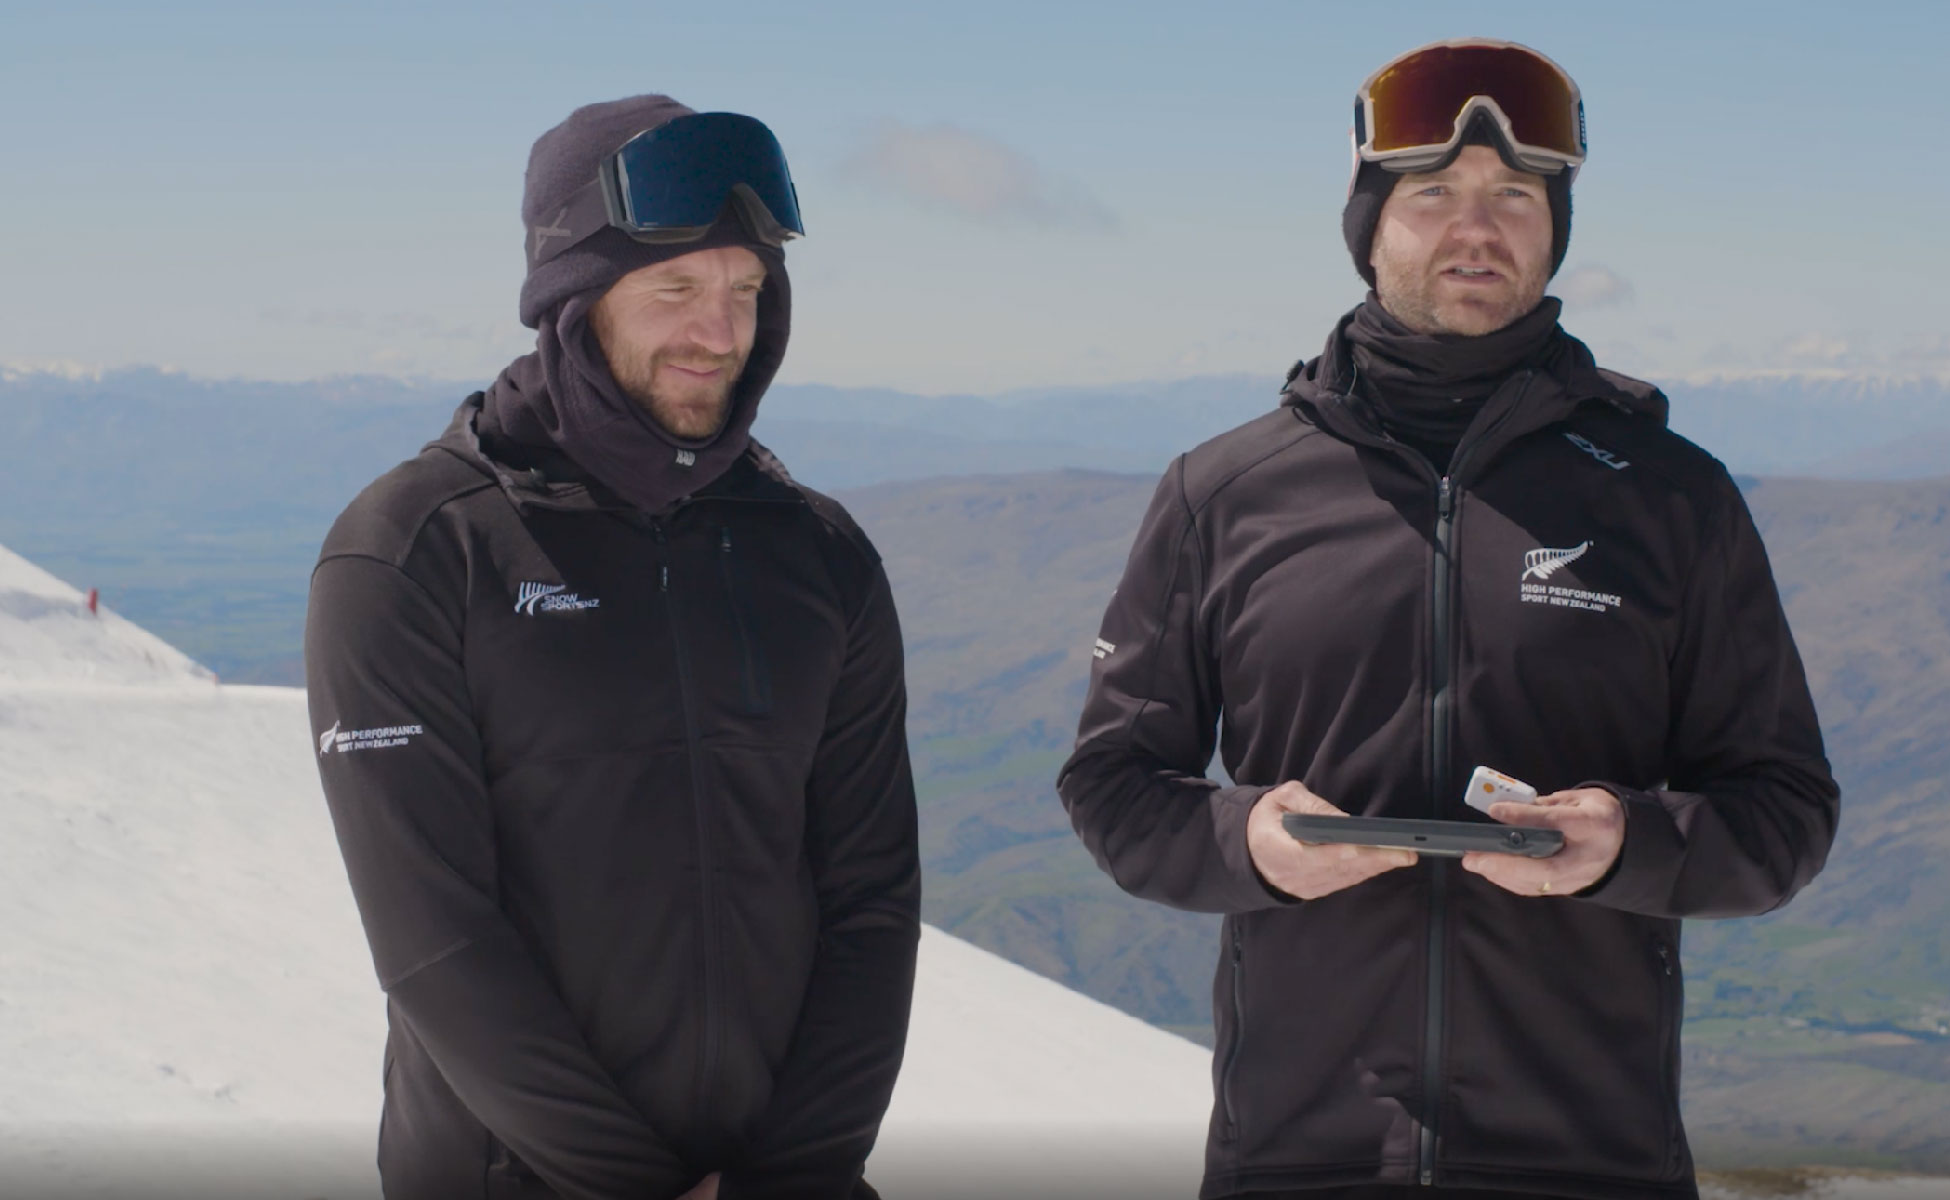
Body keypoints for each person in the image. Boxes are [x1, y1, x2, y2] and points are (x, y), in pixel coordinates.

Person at [1058, 39, 1839, 1200]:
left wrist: (1630, 847)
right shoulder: (1225, 492)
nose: (1477, 229)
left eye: (1516, 198)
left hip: (1588, 1160)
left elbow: (1784, 815)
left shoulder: (1669, 495)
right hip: (1299, 1155)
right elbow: (1115, 785)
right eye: (1433, 196)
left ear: (1554, 229)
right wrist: (1249, 847)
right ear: (1370, 225)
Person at [305, 96, 919, 1200]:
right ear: (573, 299)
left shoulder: (820, 555)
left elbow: (871, 893)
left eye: (746, 288)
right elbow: (431, 937)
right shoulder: (414, 550)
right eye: (675, 289)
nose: (721, 332)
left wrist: (804, 1174)